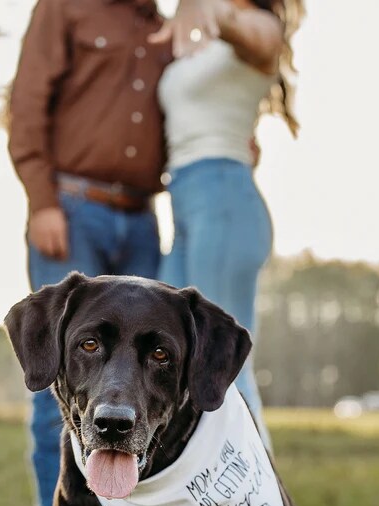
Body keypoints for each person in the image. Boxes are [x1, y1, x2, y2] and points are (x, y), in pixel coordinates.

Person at [8, 0, 173, 506]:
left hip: (144, 220)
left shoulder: (163, 26)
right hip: (74, 210)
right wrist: (42, 200)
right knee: (61, 376)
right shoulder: (65, 7)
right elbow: (27, 102)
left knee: (144, 387)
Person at [153, 0, 303, 450]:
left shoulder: (258, 25)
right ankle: (196, 496)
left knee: (225, 363)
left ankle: (262, 502)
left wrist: (211, 8)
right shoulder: (202, 34)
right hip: (185, 205)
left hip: (223, 199)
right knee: (168, 351)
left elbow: (259, 38)